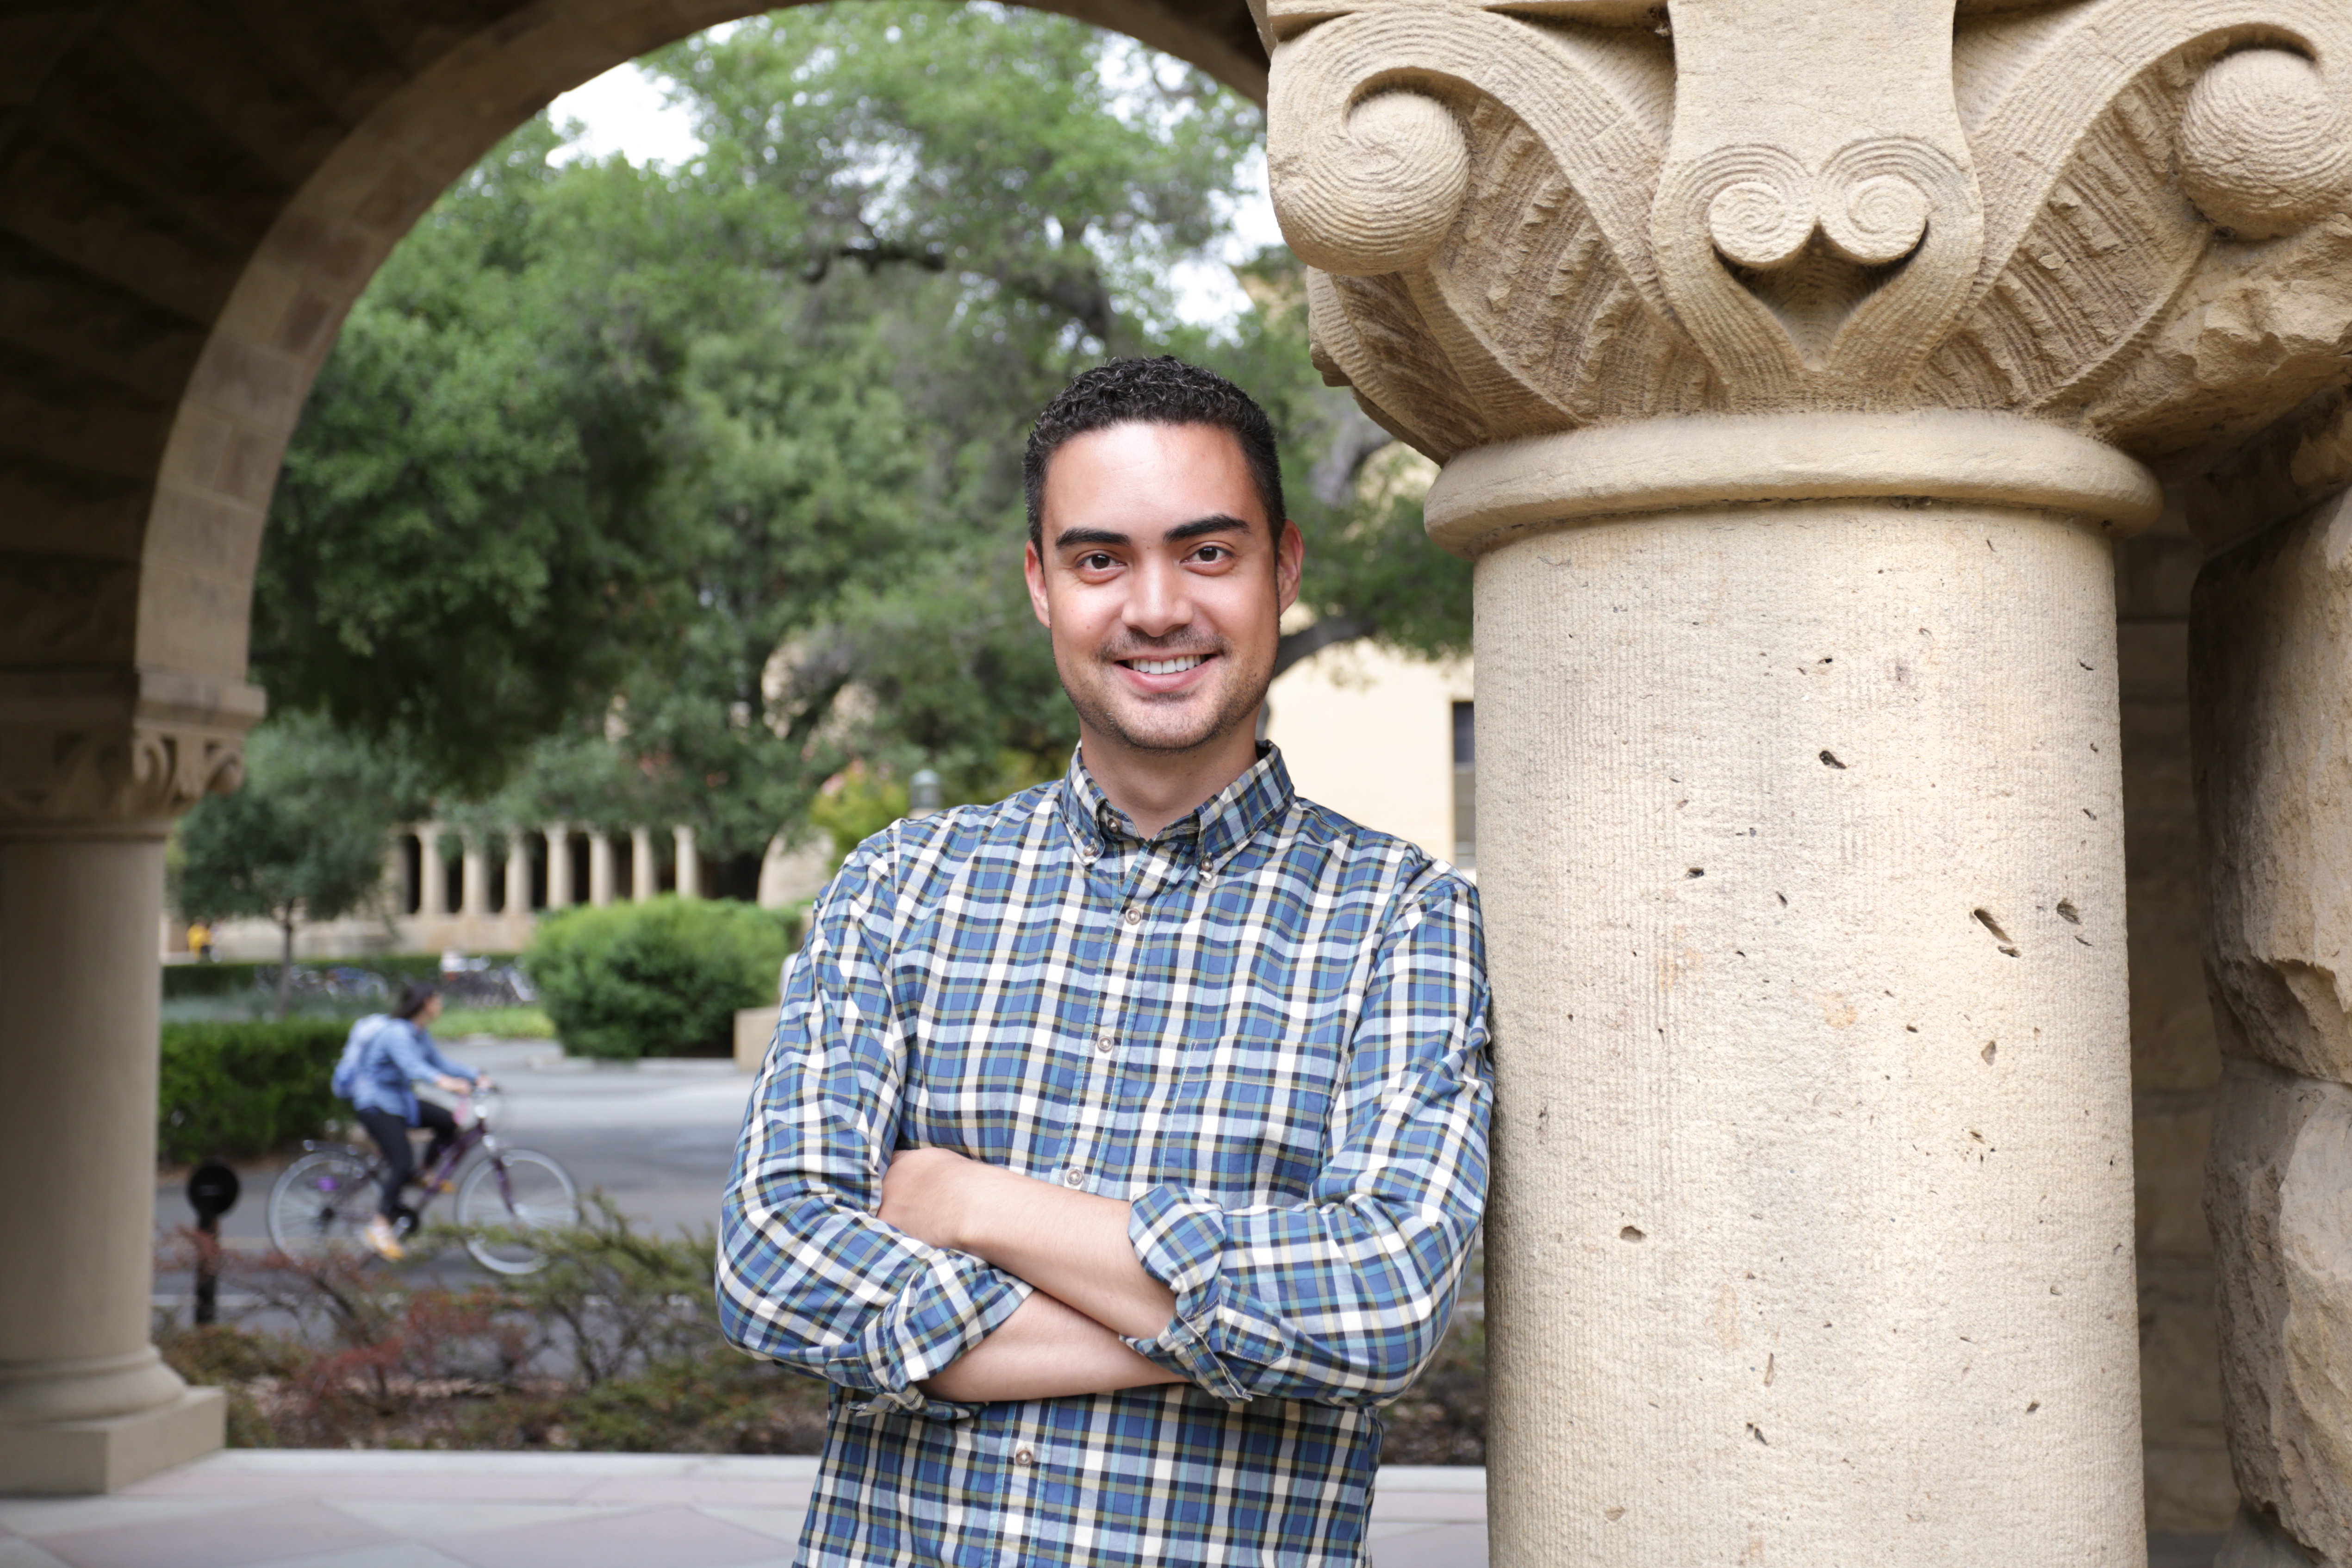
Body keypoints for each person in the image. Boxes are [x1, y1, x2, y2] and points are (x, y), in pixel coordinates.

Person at [718, 357, 1492, 1567]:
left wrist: (977, 1206)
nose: (1154, 606)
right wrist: (1230, 1329)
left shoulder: (1402, 918)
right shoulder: (901, 884)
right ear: (1041, 583)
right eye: (1098, 559)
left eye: (1207, 551)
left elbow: (1384, 1301)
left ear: (1282, 568)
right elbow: (772, 1261)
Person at [343, 983, 487, 1261]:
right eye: (439, 1000)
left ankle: (420, 1173)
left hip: (400, 1103)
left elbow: (438, 1062)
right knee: (401, 1160)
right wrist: (447, 1084)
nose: (442, 1005)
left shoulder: (419, 1032)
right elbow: (414, 1067)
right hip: (375, 1104)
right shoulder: (397, 1032)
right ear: (426, 1003)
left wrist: (475, 1076)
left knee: (447, 1123)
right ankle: (380, 1227)